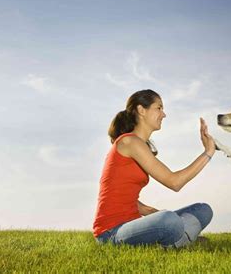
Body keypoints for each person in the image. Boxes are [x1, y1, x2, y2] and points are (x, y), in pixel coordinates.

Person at [93, 89, 217, 248]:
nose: (164, 114)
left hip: (133, 225)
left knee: (203, 210)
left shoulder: (138, 145)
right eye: (159, 108)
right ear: (141, 110)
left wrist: (151, 213)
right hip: (110, 233)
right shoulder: (129, 142)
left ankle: (177, 239)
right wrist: (208, 153)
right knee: (169, 220)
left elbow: (119, 193)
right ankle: (179, 241)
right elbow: (174, 182)